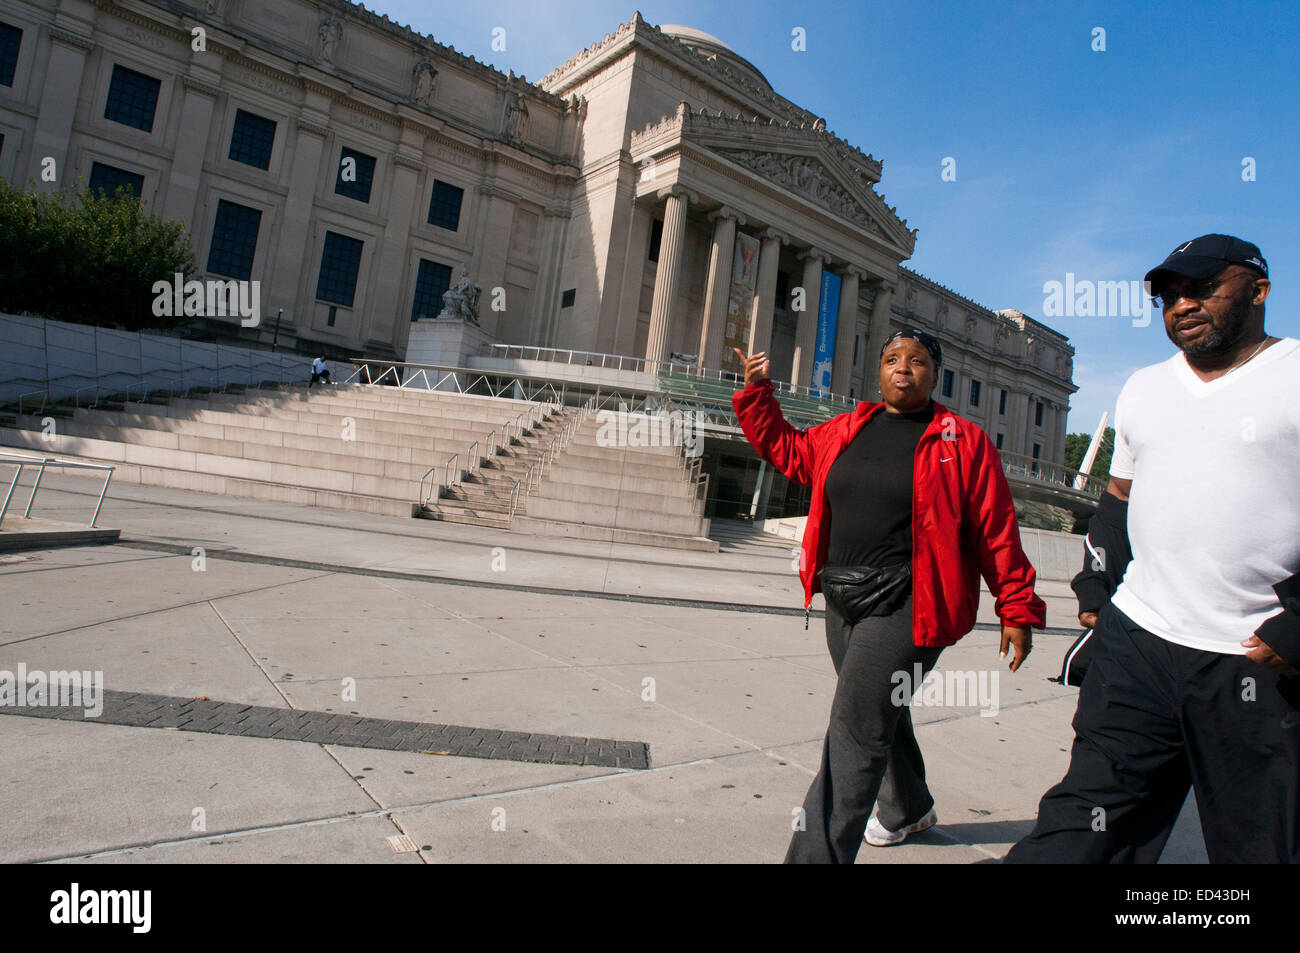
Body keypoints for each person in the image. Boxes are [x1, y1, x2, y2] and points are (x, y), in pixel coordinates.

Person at [1005, 234, 1300, 864]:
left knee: (1262, 845)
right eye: (1168, 295)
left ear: (1259, 289)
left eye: (1200, 288)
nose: (1181, 304)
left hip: (1256, 664)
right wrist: (1096, 584)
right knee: (1082, 825)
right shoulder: (1143, 387)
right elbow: (1117, 497)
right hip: (1139, 644)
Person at [731, 332, 1046, 864]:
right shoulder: (847, 428)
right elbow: (792, 453)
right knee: (880, 712)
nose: (904, 369)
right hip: (843, 594)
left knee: (854, 728)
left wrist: (1015, 605)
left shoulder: (961, 440)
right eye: (892, 360)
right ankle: (908, 808)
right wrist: (759, 395)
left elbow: (995, 528)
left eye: (917, 361)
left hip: (910, 602)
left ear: (934, 373)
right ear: (879, 371)